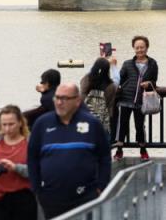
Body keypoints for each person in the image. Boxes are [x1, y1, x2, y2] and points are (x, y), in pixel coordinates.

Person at [27, 82, 111, 218]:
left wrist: (101, 187)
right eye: (57, 98)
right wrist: (36, 189)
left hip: (85, 197)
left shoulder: (92, 124)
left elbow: (105, 157)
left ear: (77, 101)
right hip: (51, 199)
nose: (59, 102)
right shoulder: (42, 124)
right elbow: (32, 158)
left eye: (65, 98)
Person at [0, 105, 36, 219]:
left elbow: (36, 171)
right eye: (4, 125)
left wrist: (15, 168)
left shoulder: (29, 142)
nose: (7, 129)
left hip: (23, 199)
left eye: (11, 124)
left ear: (20, 123)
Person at [111, 35, 159, 162]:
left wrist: (149, 84)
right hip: (125, 99)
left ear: (147, 48)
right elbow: (119, 79)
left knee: (139, 126)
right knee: (123, 125)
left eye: (142, 47)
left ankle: (143, 149)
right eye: (137, 47)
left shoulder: (153, 64)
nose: (139, 50)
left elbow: (154, 81)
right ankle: (119, 150)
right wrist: (112, 67)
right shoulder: (127, 64)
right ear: (133, 48)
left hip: (141, 101)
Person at [80, 57, 118, 139]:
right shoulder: (110, 86)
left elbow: (90, 72)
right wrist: (113, 66)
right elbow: (117, 80)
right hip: (103, 122)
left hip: (85, 118)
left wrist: (100, 61)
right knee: (103, 148)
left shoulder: (85, 80)